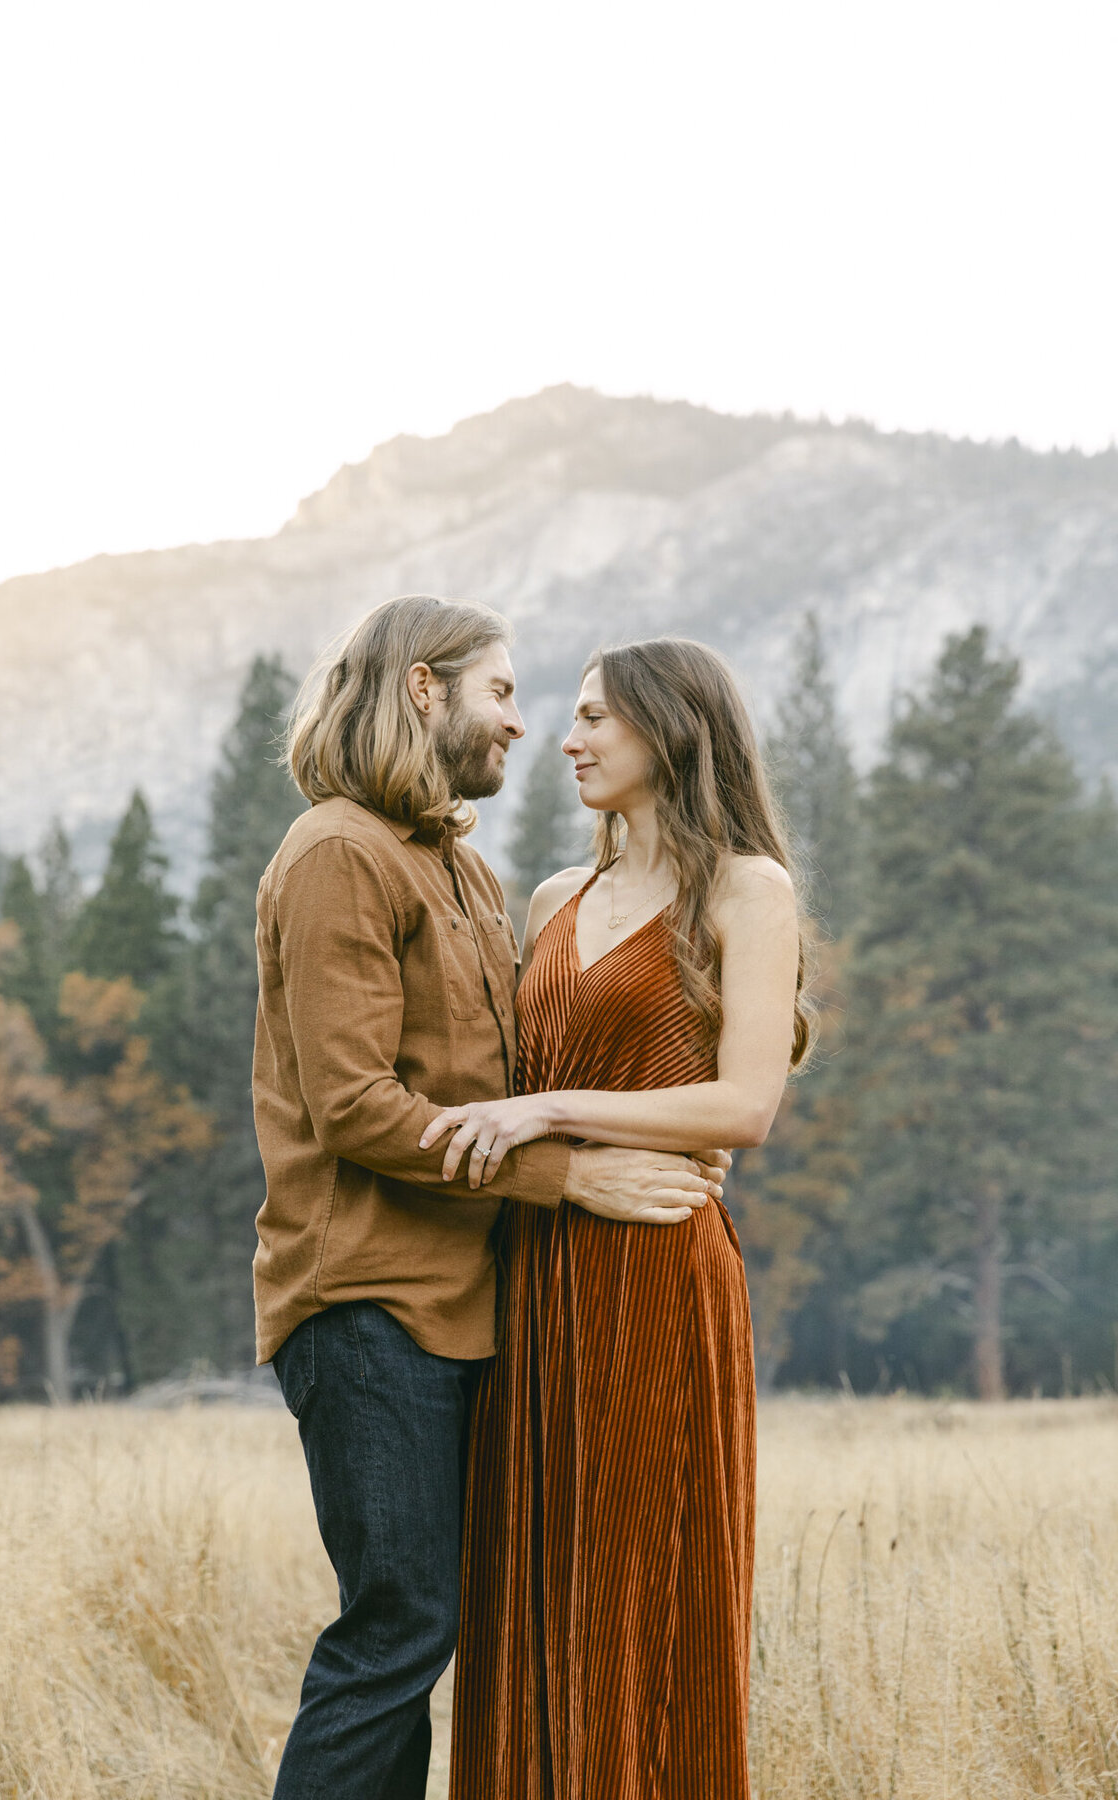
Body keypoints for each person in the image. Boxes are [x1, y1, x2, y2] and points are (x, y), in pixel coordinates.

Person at [250, 595, 731, 1800]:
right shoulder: (336, 856)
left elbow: (525, 1073)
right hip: (368, 1306)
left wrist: (667, 1114)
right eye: (504, 693)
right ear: (424, 690)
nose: (524, 727)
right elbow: (357, 1106)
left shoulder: (460, 866)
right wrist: (573, 1176)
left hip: (476, 1305)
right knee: (397, 1633)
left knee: (446, 1633)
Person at [424, 638, 810, 1800]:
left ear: (673, 730)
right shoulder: (552, 897)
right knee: (527, 1591)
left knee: (643, 1582)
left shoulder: (748, 888)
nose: (569, 738)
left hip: (657, 1271)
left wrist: (548, 1106)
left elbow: (745, 1105)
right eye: (570, 716)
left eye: (598, 718)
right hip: (534, 1274)